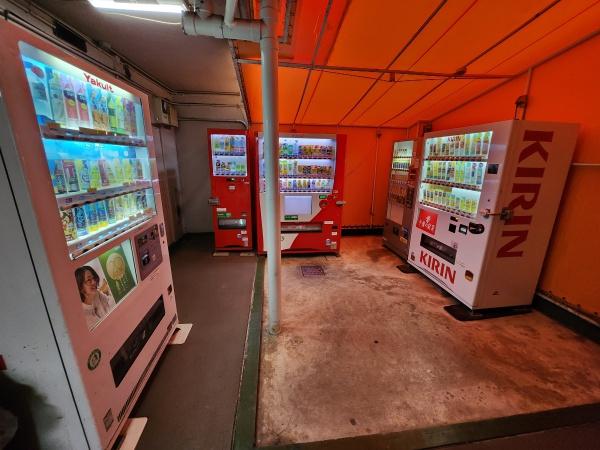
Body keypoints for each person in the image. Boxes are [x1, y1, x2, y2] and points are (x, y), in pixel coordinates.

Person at [75, 266, 115, 330]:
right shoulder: (82, 315)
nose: (94, 282)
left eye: (94, 278)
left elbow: (111, 306)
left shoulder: (97, 294)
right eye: (89, 280)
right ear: (80, 287)